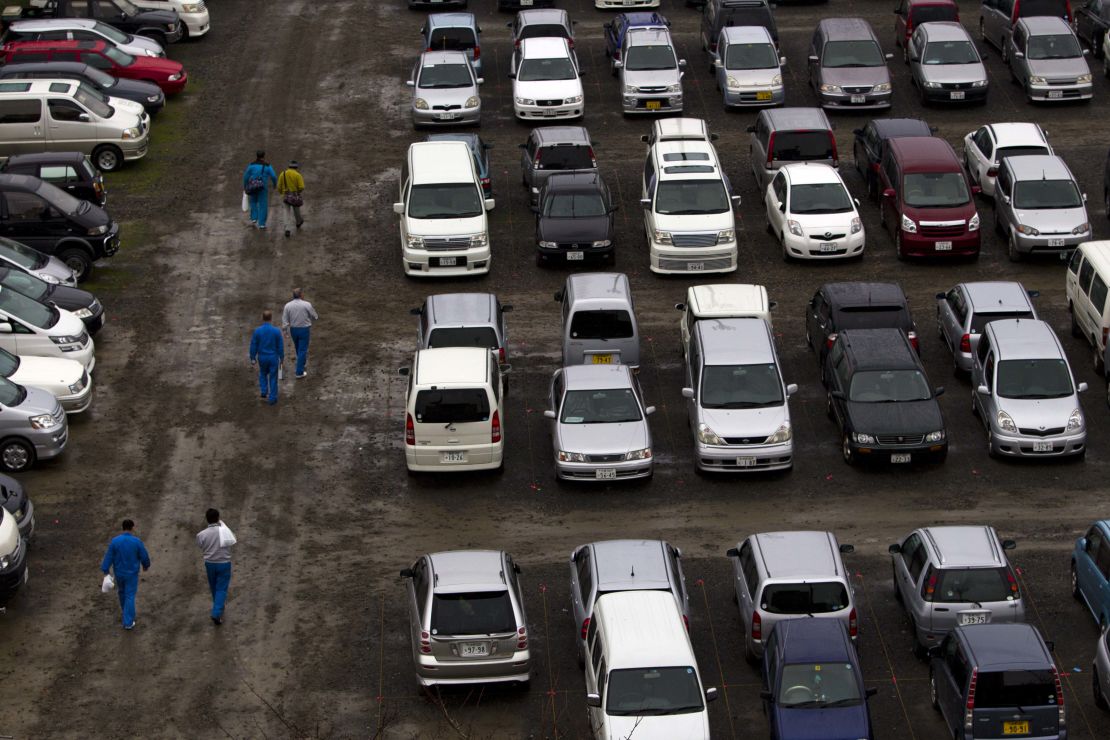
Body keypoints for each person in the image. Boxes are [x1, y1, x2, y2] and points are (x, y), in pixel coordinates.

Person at [99, 519, 151, 630]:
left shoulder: (115, 541)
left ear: (122, 528)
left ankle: (126, 613)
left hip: (119, 573)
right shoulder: (136, 541)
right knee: (130, 596)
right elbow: (144, 555)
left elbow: (109, 556)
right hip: (131, 574)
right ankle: (128, 622)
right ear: (132, 527)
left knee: (122, 593)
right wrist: (146, 565)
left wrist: (105, 570)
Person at [196, 508, 234, 626]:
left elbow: (201, 546)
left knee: (214, 587)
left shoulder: (201, 534)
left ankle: (218, 607)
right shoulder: (225, 531)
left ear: (207, 520)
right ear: (218, 518)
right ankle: (217, 611)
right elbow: (232, 541)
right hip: (224, 563)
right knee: (221, 588)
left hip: (210, 564)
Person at [282, 288, 319, 379]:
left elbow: (285, 320)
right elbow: (315, 316)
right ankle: (299, 372)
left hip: (293, 330)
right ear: (301, 295)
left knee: (298, 348)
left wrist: (285, 332)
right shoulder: (306, 304)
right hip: (304, 330)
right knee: (302, 350)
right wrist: (314, 318)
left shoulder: (288, 305)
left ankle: (302, 362)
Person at [249, 310, 284, 405]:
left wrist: (252, 357)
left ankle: (264, 392)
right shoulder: (276, 331)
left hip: (262, 357)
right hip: (273, 357)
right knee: (273, 377)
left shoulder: (257, 331)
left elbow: (253, 345)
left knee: (263, 373)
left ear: (262, 318)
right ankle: (272, 398)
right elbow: (280, 346)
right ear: (271, 318)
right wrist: (282, 357)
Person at [242, 150, 278, 230]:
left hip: (252, 186)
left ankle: (254, 218)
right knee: (263, 204)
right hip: (263, 187)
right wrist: (275, 185)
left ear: (256, 156)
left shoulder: (251, 165)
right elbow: (274, 176)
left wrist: (245, 186)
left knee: (253, 202)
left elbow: (245, 177)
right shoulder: (268, 166)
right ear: (264, 156)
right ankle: (262, 224)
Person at [277, 160, 305, 238]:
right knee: (296, 210)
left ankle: (287, 229)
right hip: (295, 195)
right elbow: (301, 187)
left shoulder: (283, 174)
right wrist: (298, 192)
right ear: (296, 167)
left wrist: (282, 193)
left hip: (285, 195)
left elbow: (279, 186)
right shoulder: (297, 175)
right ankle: (298, 222)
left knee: (286, 211)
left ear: (289, 166)